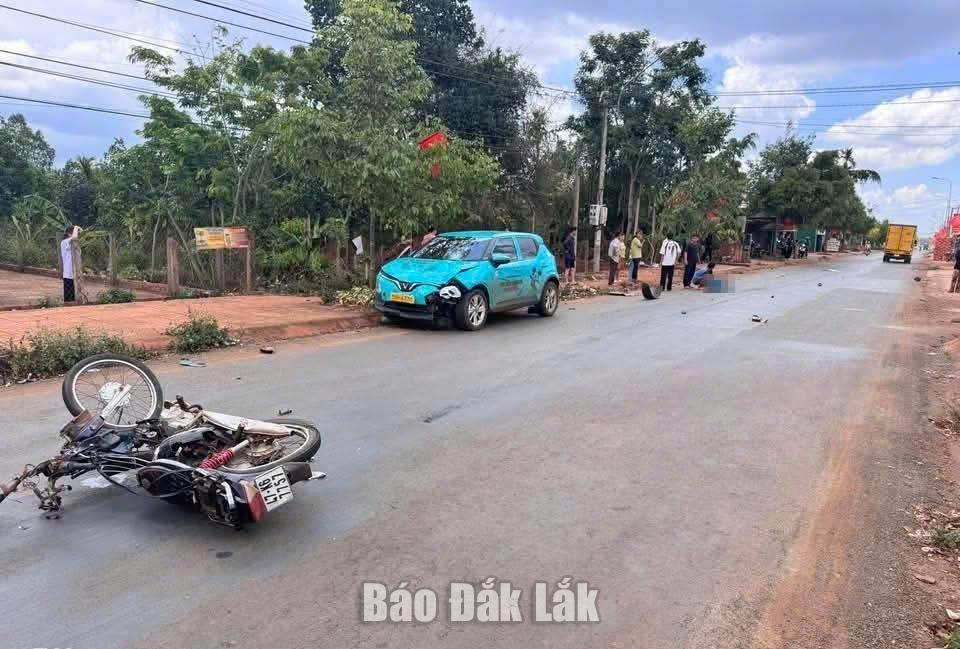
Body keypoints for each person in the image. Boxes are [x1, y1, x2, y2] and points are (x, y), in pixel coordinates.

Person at [60, 225, 80, 303]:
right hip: (68, 273)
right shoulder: (65, 242)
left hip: (74, 273)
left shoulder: (72, 243)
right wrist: (76, 227)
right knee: (69, 298)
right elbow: (74, 237)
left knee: (73, 297)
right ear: (69, 234)